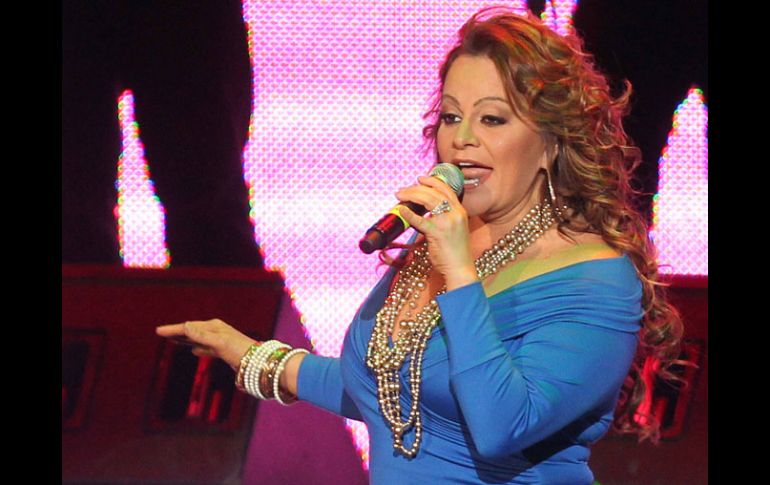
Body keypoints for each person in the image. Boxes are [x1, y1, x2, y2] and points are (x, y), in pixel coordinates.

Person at [157, 7, 683, 484]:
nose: (462, 138)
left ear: (550, 142)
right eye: (452, 116)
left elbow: (501, 425)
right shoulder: (438, 241)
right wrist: (253, 357)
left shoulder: (595, 279)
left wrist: (459, 271)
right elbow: (392, 392)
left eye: (492, 118)